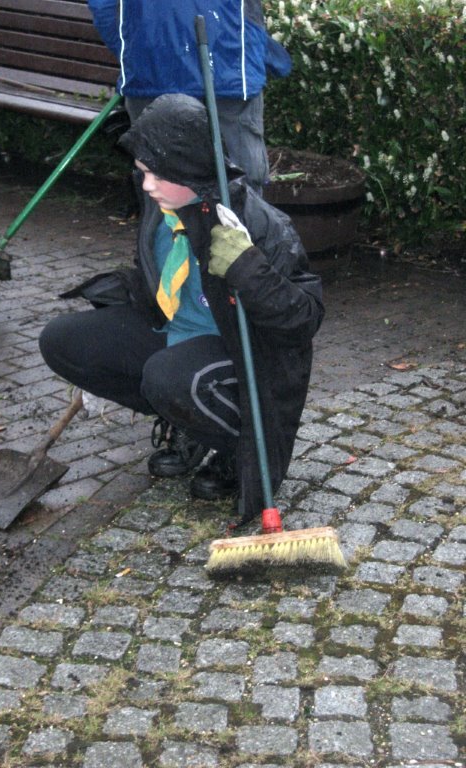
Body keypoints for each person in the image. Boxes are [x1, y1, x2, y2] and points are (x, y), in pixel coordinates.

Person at [39, 94, 324, 526]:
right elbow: (158, 276)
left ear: (187, 169)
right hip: (175, 335)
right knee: (63, 342)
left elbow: (302, 319)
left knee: (167, 378)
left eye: (154, 174)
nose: (146, 184)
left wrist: (247, 266)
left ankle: (234, 449)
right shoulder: (161, 207)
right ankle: (189, 424)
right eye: (142, 173)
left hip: (239, 355)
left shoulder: (258, 224)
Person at [87, 0, 292, 191]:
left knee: (160, 183)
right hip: (228, 66)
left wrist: (133, 48)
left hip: (155, 67)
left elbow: (104, 9)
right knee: (241, 181)